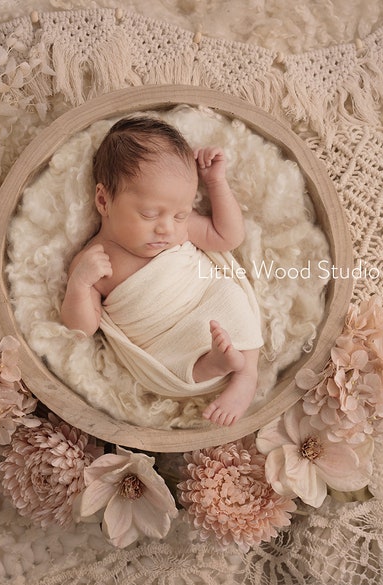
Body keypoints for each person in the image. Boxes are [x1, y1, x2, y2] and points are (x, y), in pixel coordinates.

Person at [61, 116, 263, 427]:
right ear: (104, 200)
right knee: (166, 364)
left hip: (205, 303)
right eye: (149, 214)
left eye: (180, 214)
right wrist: (79, 284)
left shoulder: (179, 230)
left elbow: (229, 237)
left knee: (230, 296)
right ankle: (211, 365)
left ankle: (246, 375)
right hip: (161, 340)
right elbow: (82, 328)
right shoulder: (94, 261)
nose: (166, 227)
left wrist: (215, 182)